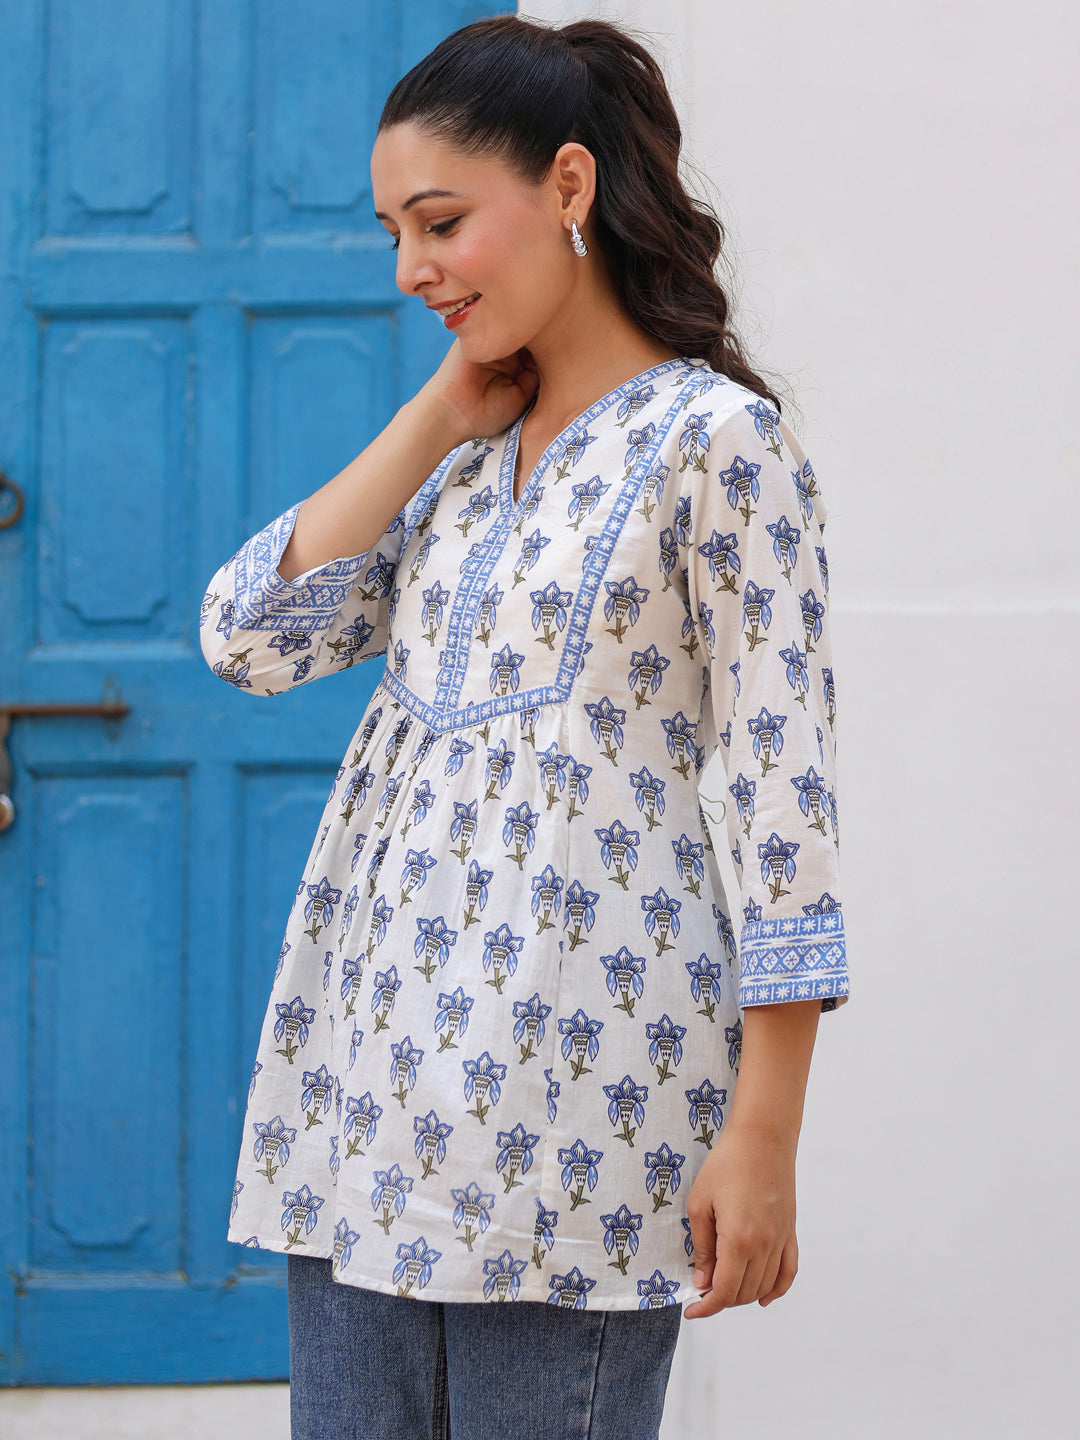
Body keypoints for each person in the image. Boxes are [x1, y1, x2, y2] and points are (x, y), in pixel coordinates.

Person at [198, 14, 849, 1440]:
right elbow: (248, 638)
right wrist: (439, 415)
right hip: (363, 1095)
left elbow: (783, 802)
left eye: (440, 223)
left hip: (582, 1107)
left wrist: (766, 1129)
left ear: (567, 186)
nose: (409, 268)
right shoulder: (464, 463)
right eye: (393, 234)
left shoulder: (718, 445)